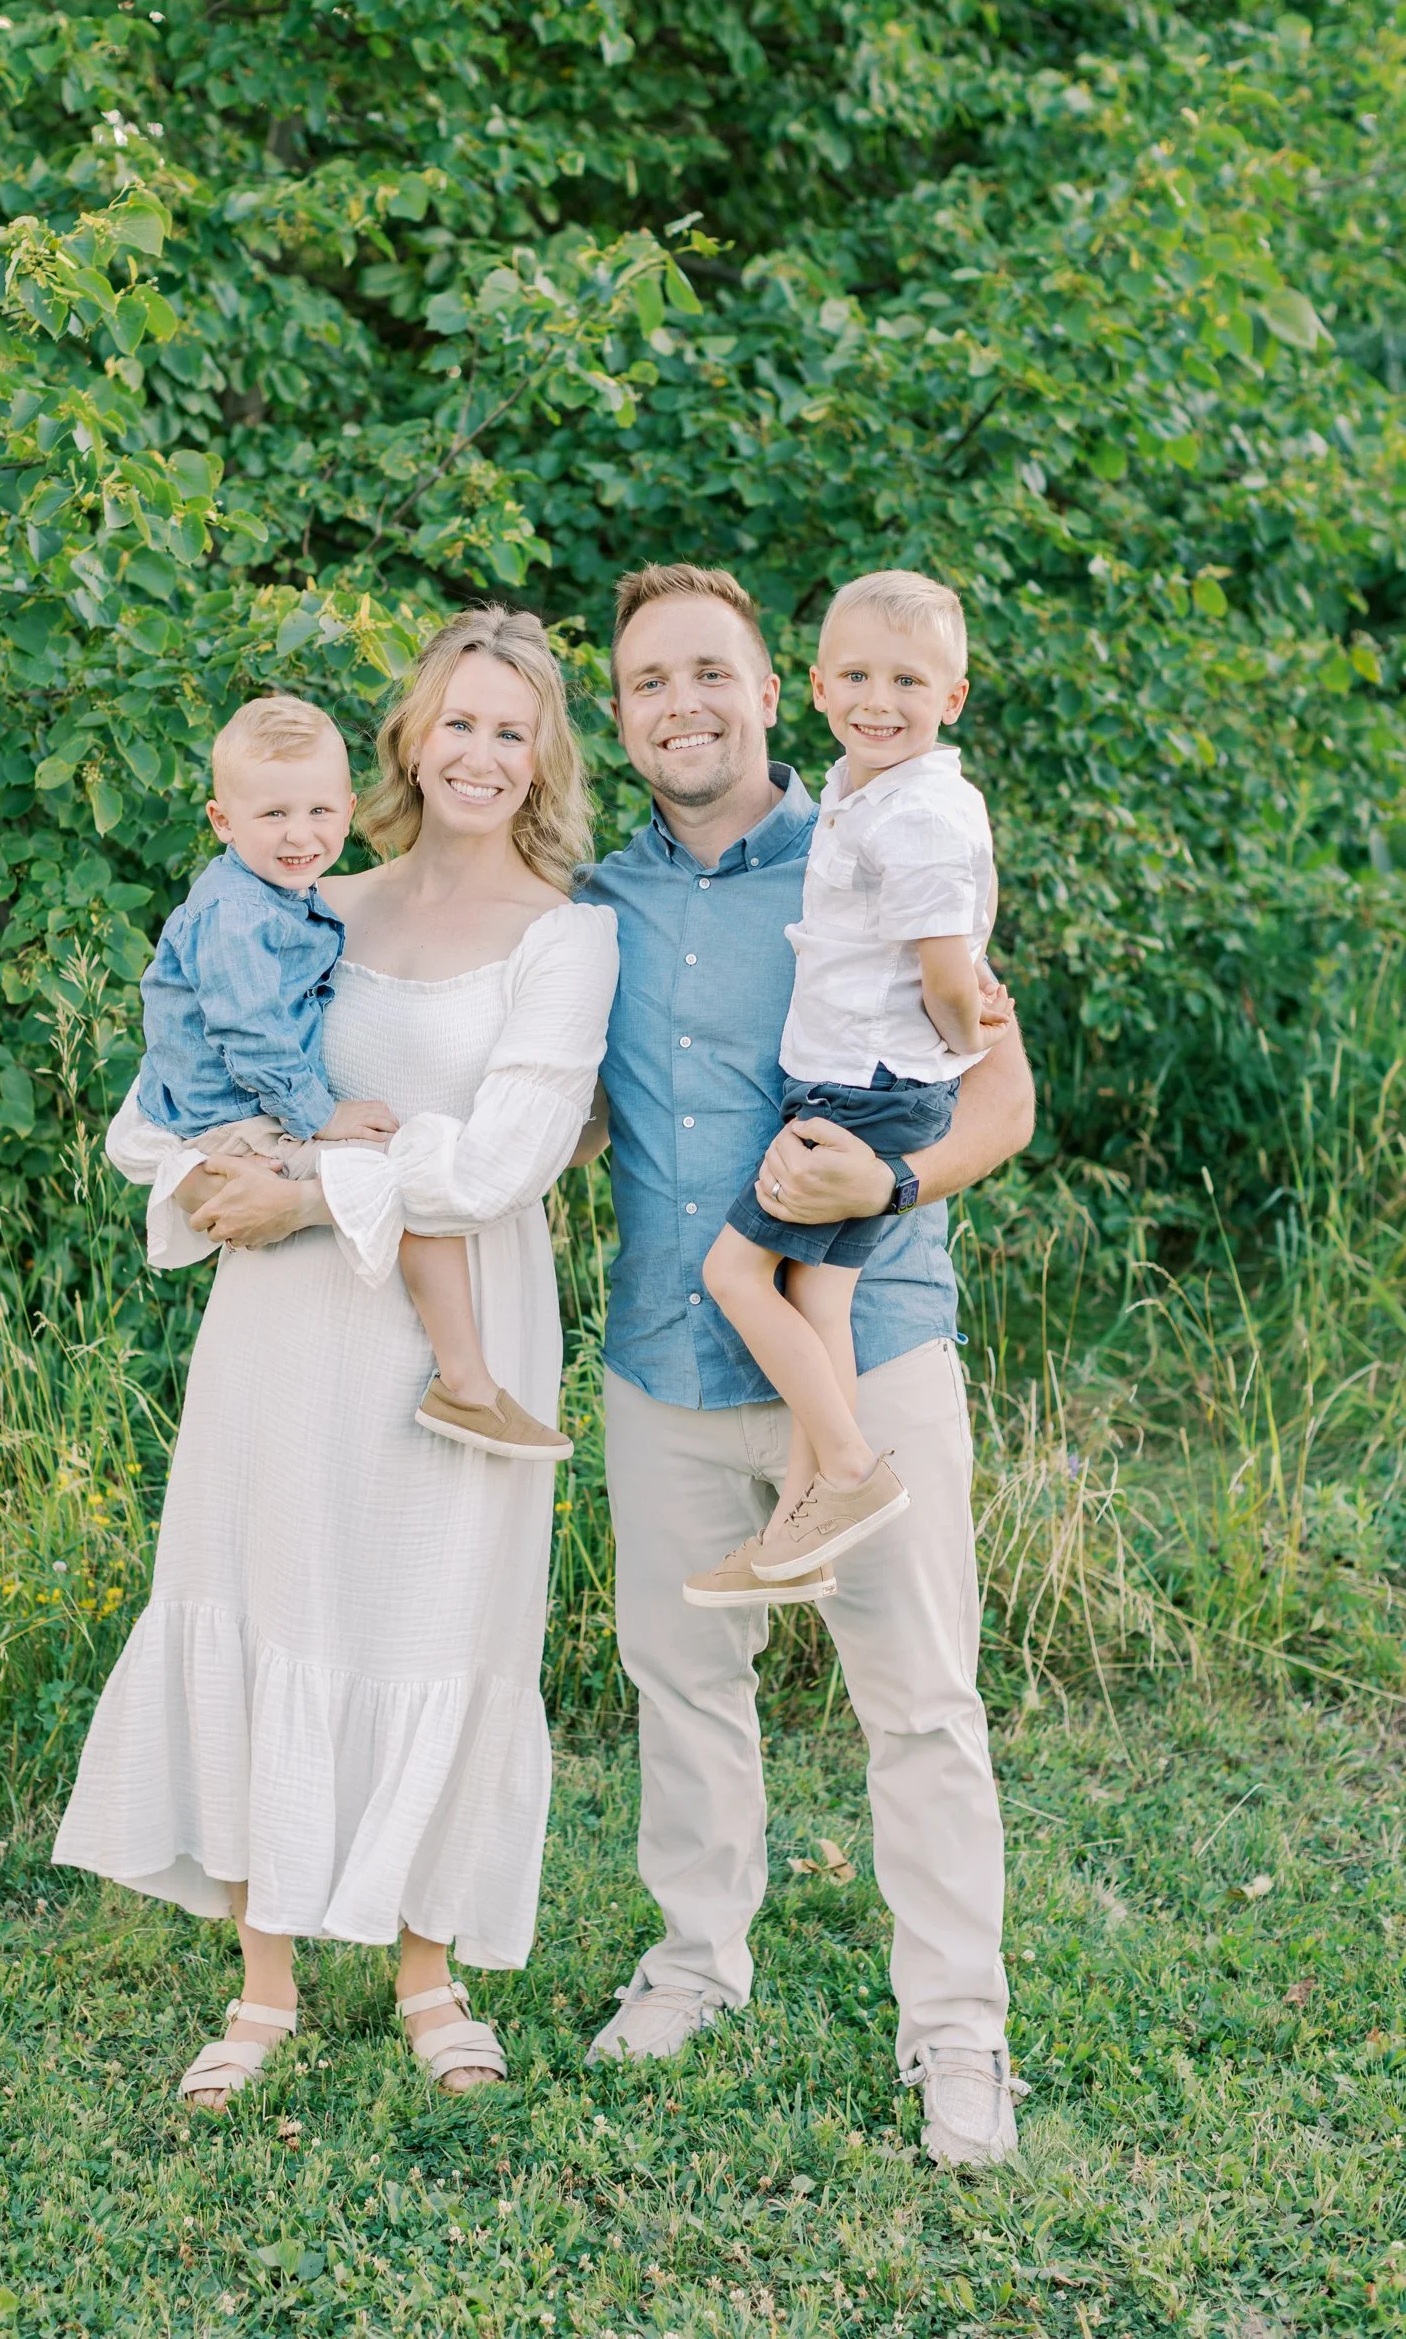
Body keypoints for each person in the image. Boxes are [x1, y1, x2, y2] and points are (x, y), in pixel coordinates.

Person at [53, 606, 619, 2105]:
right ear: (410, 740)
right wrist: (198, 1181)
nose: (481, 753)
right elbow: (152, 1102)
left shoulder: (568, 940)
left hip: (460, 1342)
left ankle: (429, 1979)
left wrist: (304, 1185)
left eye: (512, 728)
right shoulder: (301, 897)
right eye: (458, 722)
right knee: (268, 1610)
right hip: (286, 1339)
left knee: (440, 1626)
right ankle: (262, 1986)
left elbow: (504, 1160)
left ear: (542, 753)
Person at [574, 562, 1035, 2169]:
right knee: (679, 1688)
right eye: (648, 682)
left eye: (712, 671)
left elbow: (996, 1099)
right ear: (618, 715)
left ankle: (957, 2033)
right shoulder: (591, 907)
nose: (682, 704)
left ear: (776, 689)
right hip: (663, 1354)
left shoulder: (878, 840)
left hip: (870, 1343)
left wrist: (891, 1183)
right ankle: (696, 1966)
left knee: (916, 1705)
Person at [135, 690, 570, 1463]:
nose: (300, 836)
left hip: (250, 1118)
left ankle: (465, 1380)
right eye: (272, 816)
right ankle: (466, 1383)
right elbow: (249, 1032)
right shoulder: (241, 913)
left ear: (346, 805)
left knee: (401, 1176)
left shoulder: (293, 899)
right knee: (395, 1172)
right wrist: (318, 1114)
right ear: (221, 821)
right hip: (236, 1115)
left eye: (317, 813)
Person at [698, 570, 999, 1594]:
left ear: (950, 699)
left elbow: (948, 971)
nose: (880, 700)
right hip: (857, 1080)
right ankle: (801, 1520)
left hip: (865, 1089)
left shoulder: (913, 812)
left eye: (908, 680)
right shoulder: (865, 789)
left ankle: (846, 1469)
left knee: (734, 1276)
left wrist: (959, 1032)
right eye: (859, 677)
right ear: (817, 687)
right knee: (816, 1292)